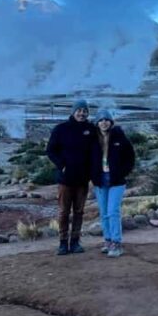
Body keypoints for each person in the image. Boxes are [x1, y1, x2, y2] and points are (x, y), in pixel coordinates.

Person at [46, 99, 95, 255]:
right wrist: (62, 165)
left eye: (85, 111)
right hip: (66, 179)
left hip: (82, 179)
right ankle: (62, 243)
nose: (82, 113)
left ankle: (75, 242)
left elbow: (97, 150)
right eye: (79, 110)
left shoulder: (90, 129)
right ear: (73, 112)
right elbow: (51, 150)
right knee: (64, 212)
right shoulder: (61, 129)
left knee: (79, 212)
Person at [90, 109, 135, 258]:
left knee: (113, 212)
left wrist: (123, 172)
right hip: (100, 180)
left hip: (116, 180)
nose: (104, 122)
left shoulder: (119, 137)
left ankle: (117, 242)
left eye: (106, 119)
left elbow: (130, 157)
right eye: (101, 120)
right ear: (97, 122)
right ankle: (107, 240)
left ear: (111, 122)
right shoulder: (93, 139)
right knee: (103, 213)